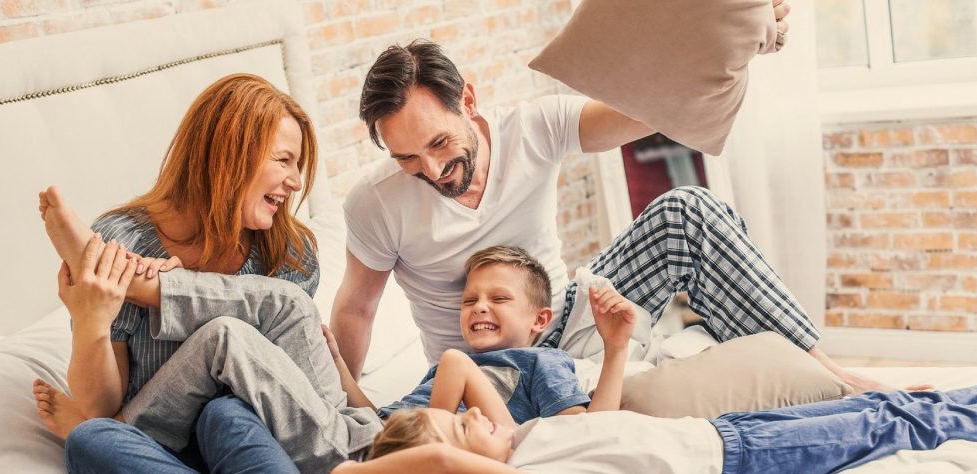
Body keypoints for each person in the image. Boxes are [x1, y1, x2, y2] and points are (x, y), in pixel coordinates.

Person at [329, 28, 896, 397]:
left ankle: (832, 376)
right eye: (407, 158)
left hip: (565, 314)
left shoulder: (532, 128)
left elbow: (645, 112)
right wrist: (344, 401)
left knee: (687, 213)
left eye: (439, 144)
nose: (430, 169)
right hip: (485, 368)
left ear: (468, 102)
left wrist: (736, 43)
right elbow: (356, 307)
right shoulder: (376, 204)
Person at [32, 74, 373, 474]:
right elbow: (100, 408)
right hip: (152, 465)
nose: (297, 182)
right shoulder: (127, 239)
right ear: (227, 151)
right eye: (284, 160)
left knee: (226, 409)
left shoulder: (289, 253)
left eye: (299, 166)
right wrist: (90, 321)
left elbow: (291, 395)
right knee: (92, 442)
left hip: (253, 451)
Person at [327, 381, 977, 474]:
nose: (474, 413)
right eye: (461, 425)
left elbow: (455, 363)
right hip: (737, 466)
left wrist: (447, 423)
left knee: (888, 404)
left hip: (726, 430)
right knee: (900, 429)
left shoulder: (522, 435)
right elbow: (440, 461)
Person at [374, 245, 636, 424]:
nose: (479, 307)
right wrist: (339, 365)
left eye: (499, 298)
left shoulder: (541, 362)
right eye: (469, 301)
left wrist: (616, 347)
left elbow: (583, 430)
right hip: (378, 430)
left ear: (540, 319)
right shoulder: (440, 371)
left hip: (420, 442)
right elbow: (384, 415)